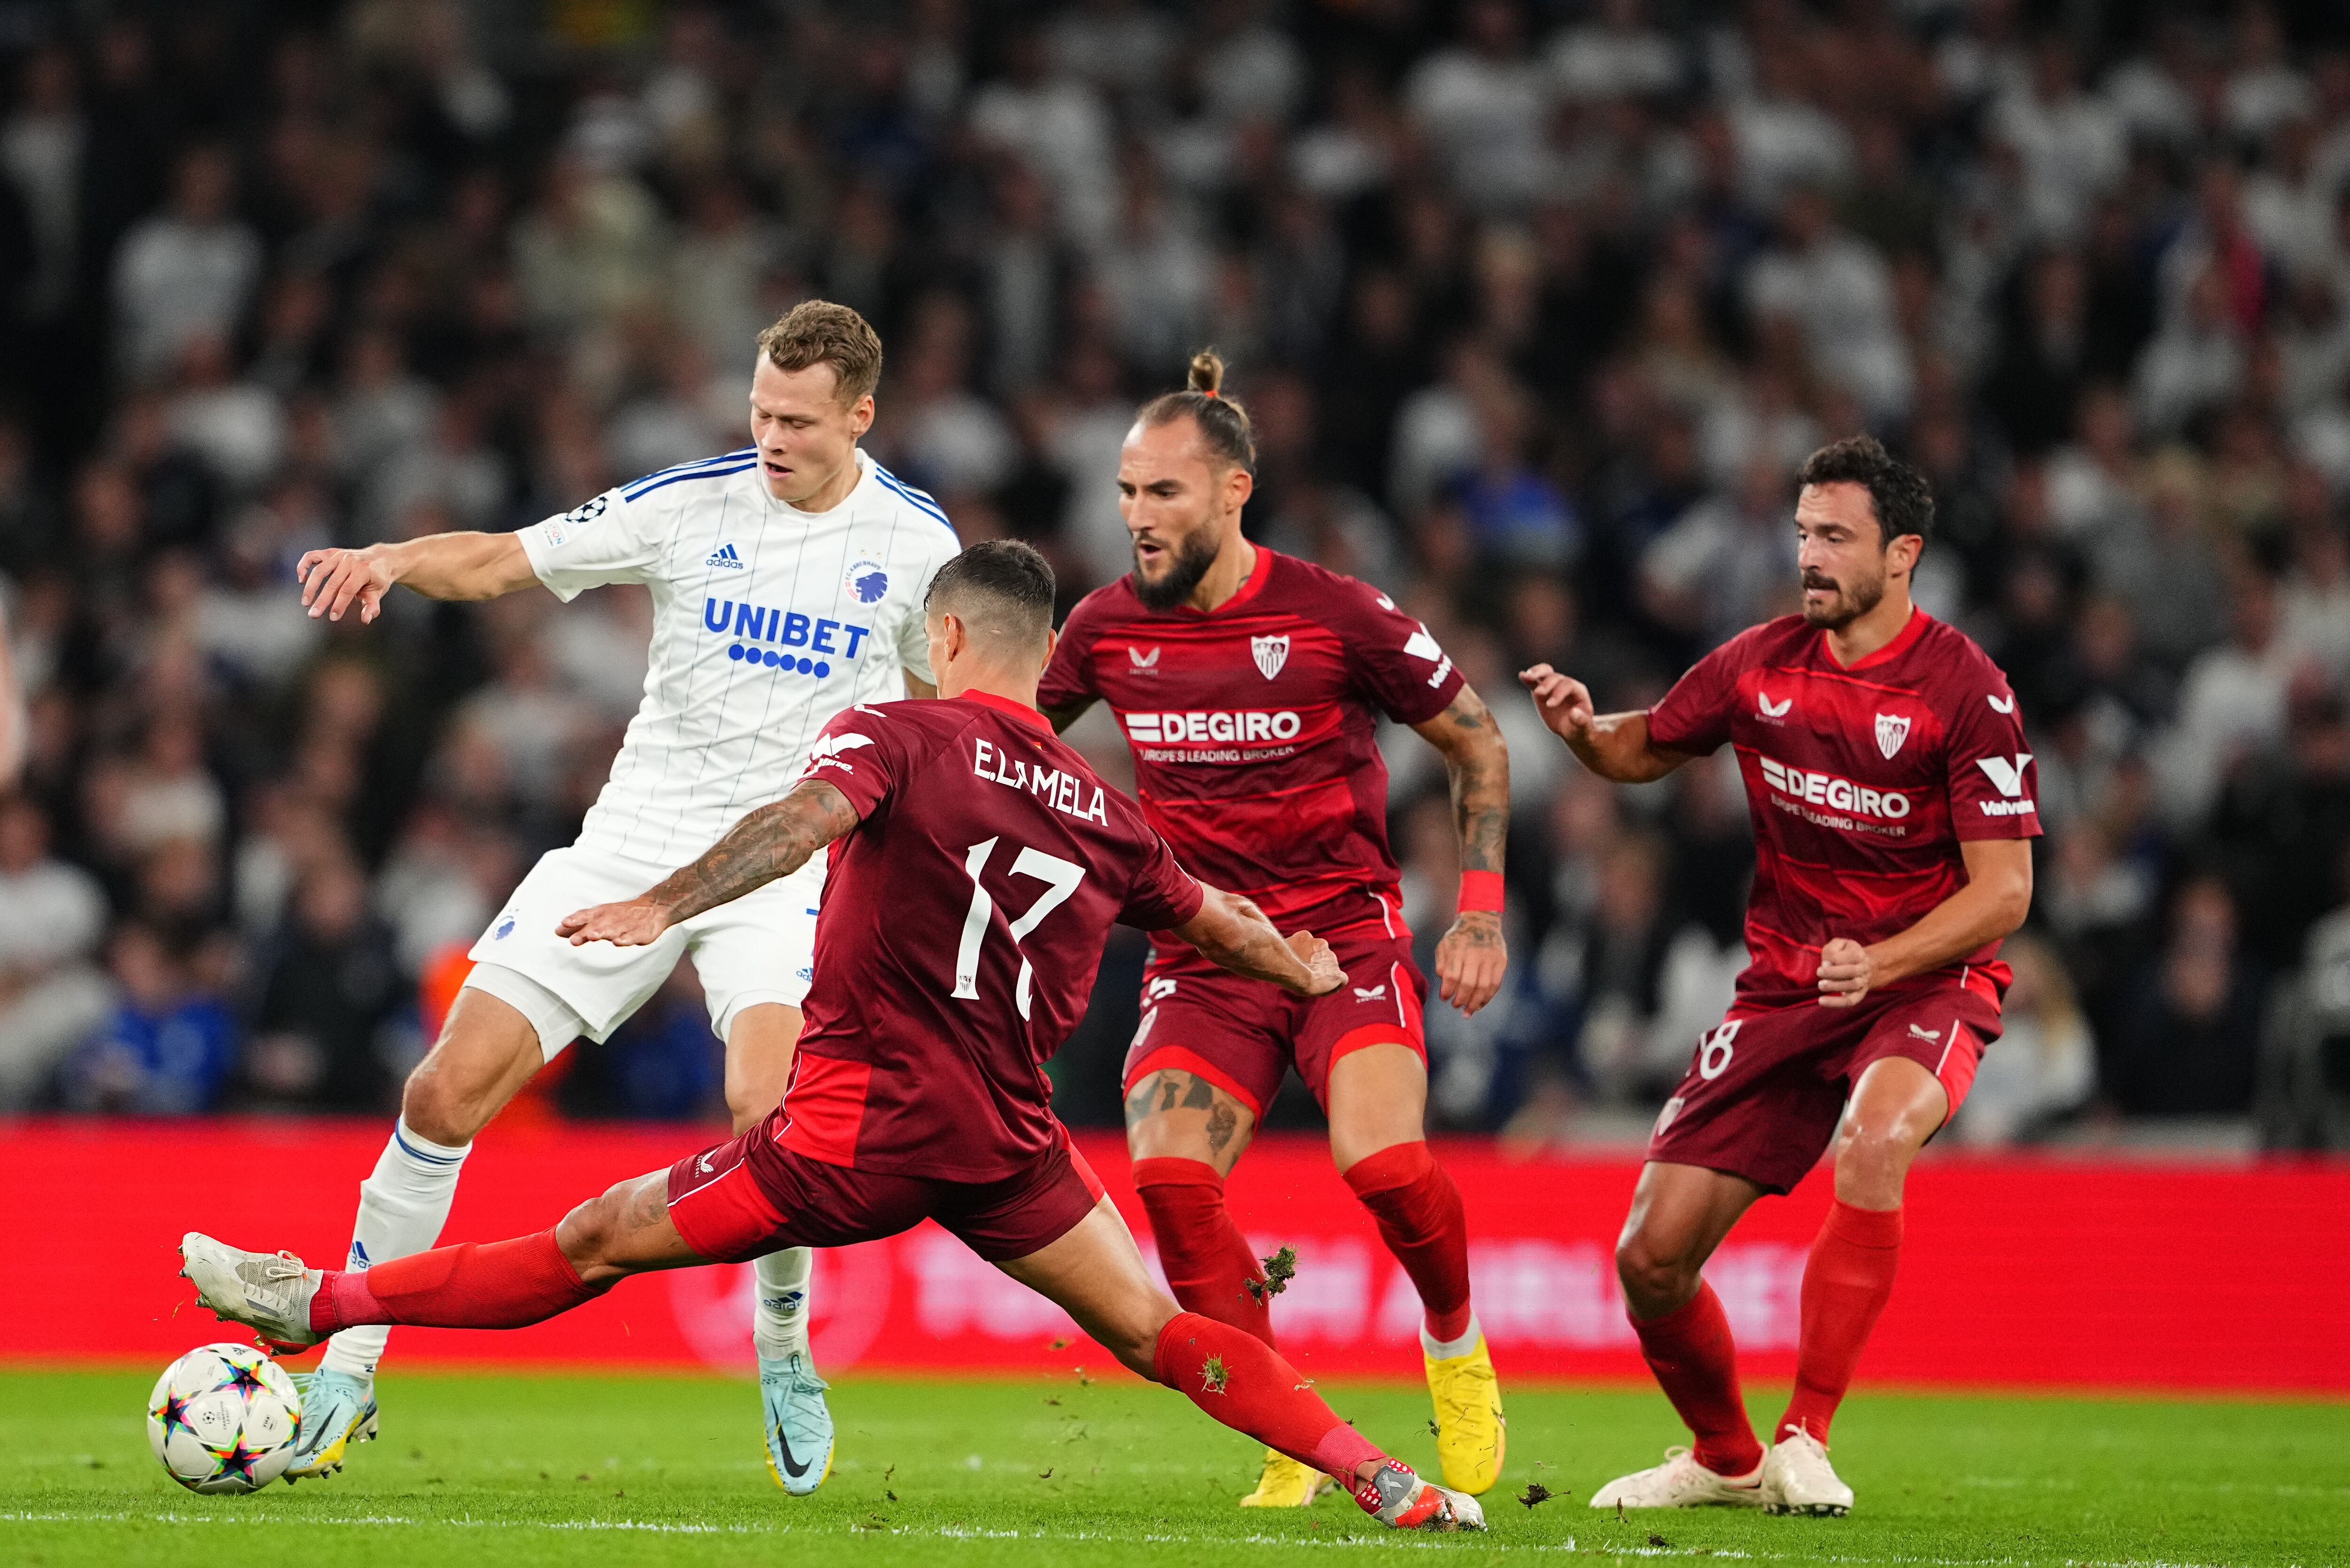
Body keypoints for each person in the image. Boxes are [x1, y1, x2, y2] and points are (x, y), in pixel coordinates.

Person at [181, 541, 1486, 1535]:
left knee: (589, 1242)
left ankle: (315, 1303)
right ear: (1044, 658)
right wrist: (1304, 961)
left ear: (953, 633)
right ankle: (1379, 1476)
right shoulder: (1106, 808)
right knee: (1153, 1331)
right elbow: (1217, 919)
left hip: (851, 1140)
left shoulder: (897, 730)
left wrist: (662, 902)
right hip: (1009, 1147)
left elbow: (801, 822)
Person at [282, 300, 960, 1490]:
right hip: (633, 842)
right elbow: (504, 558)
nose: (771, 436)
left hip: (787, 863)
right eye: (760, 410)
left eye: (799, 421)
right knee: (445, 1090)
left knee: (771, 1112)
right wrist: (391, 559)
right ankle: (348, 1364)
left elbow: (942, 710)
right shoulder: (690, 500)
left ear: (862, 415)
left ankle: (784, 1337)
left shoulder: (915, 544)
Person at [1519, 435, 2036, 1515]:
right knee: (1648, 1258)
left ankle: (1807, 1435)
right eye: (1803, 533)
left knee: (1875, 1137)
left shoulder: (1965, 690)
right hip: (1785, 991)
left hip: (1922, 981)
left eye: (1834, 537)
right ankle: (1723, 1457)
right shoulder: (1758, 662)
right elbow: (1646, 746)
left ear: (1902, 555)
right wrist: (1580, 732)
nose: (1809, 555)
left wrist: (1885, 960)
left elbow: (2004, 894)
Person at [1037, 351, 1512, 1506]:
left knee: (1386, 1166)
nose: (1137, 519)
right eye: (1127, 493)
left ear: (1234, 490)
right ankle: (1291, 1424)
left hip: (1341, 938)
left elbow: (1476, 740)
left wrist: (1480, 913)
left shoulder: (1335, 613)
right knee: (1167, 1179)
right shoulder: (1103, 629)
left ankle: (1452, 1343)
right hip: (1205, 953)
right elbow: (1006, 748)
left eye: (1164, 494)